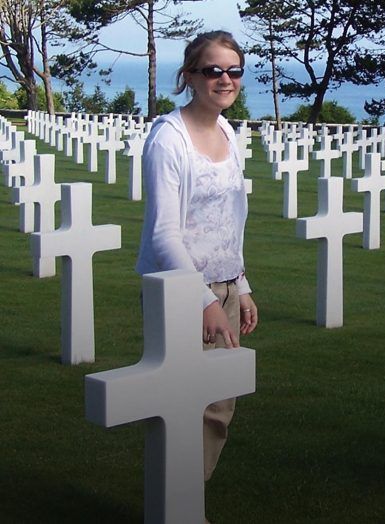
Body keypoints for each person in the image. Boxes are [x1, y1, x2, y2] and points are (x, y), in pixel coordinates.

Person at [136, 29, 258, 506]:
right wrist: (204, 299)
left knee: (219, 405)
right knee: (183, 406)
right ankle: (176, 508)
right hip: (181, 291)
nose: (224, 79)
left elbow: (230, 220)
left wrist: (239, 285)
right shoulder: (169, 139)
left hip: (223, 286)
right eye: (213, 70)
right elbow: (165, 234)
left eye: (233, 70)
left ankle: (184, 503)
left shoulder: (227, 131)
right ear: (189, 76)